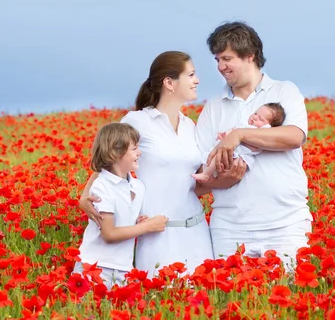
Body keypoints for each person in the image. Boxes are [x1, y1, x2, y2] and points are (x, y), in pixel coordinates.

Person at [79, 51, 230, 278]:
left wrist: (228, 173)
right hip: (158, 234)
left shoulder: (191, 126)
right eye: (191, 75)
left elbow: (198, 182)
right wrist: (85, 195)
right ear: (169, 82)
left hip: (197, 231)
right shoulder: (138, 121)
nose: (197, 80)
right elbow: (108, 160)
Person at [195, 21, 314, 271]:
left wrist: (239, 135)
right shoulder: (213, 108)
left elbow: (293, 137)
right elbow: (200, 173)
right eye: (217, 59)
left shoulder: (284, 91)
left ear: (250, 55)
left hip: (285, 223)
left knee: (292, 303)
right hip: (230, 226)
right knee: (232, 304)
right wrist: (223, 179)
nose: (220, 67)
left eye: (227, 58)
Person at [73, 122, 169, 289]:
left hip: (123, 268)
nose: (140, 153)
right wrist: (147, 226)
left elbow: (123, 221)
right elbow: (109, 234)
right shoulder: (101, 186)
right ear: (115, 152)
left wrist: (137, 223)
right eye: (134, 149)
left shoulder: (138, 187)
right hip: (95, 268)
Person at [192, 102, 285, 182]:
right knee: (217, 159)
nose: (255, 117)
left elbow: (255, 145)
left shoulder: (261, 133)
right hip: (232, 152)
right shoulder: (244, 125)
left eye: (261, 119)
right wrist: (224, 134)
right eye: (255, 113)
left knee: (219, 158)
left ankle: (206, 174)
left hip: (239, 157)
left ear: (268, 126)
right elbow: (233, 131)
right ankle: (210, 174)